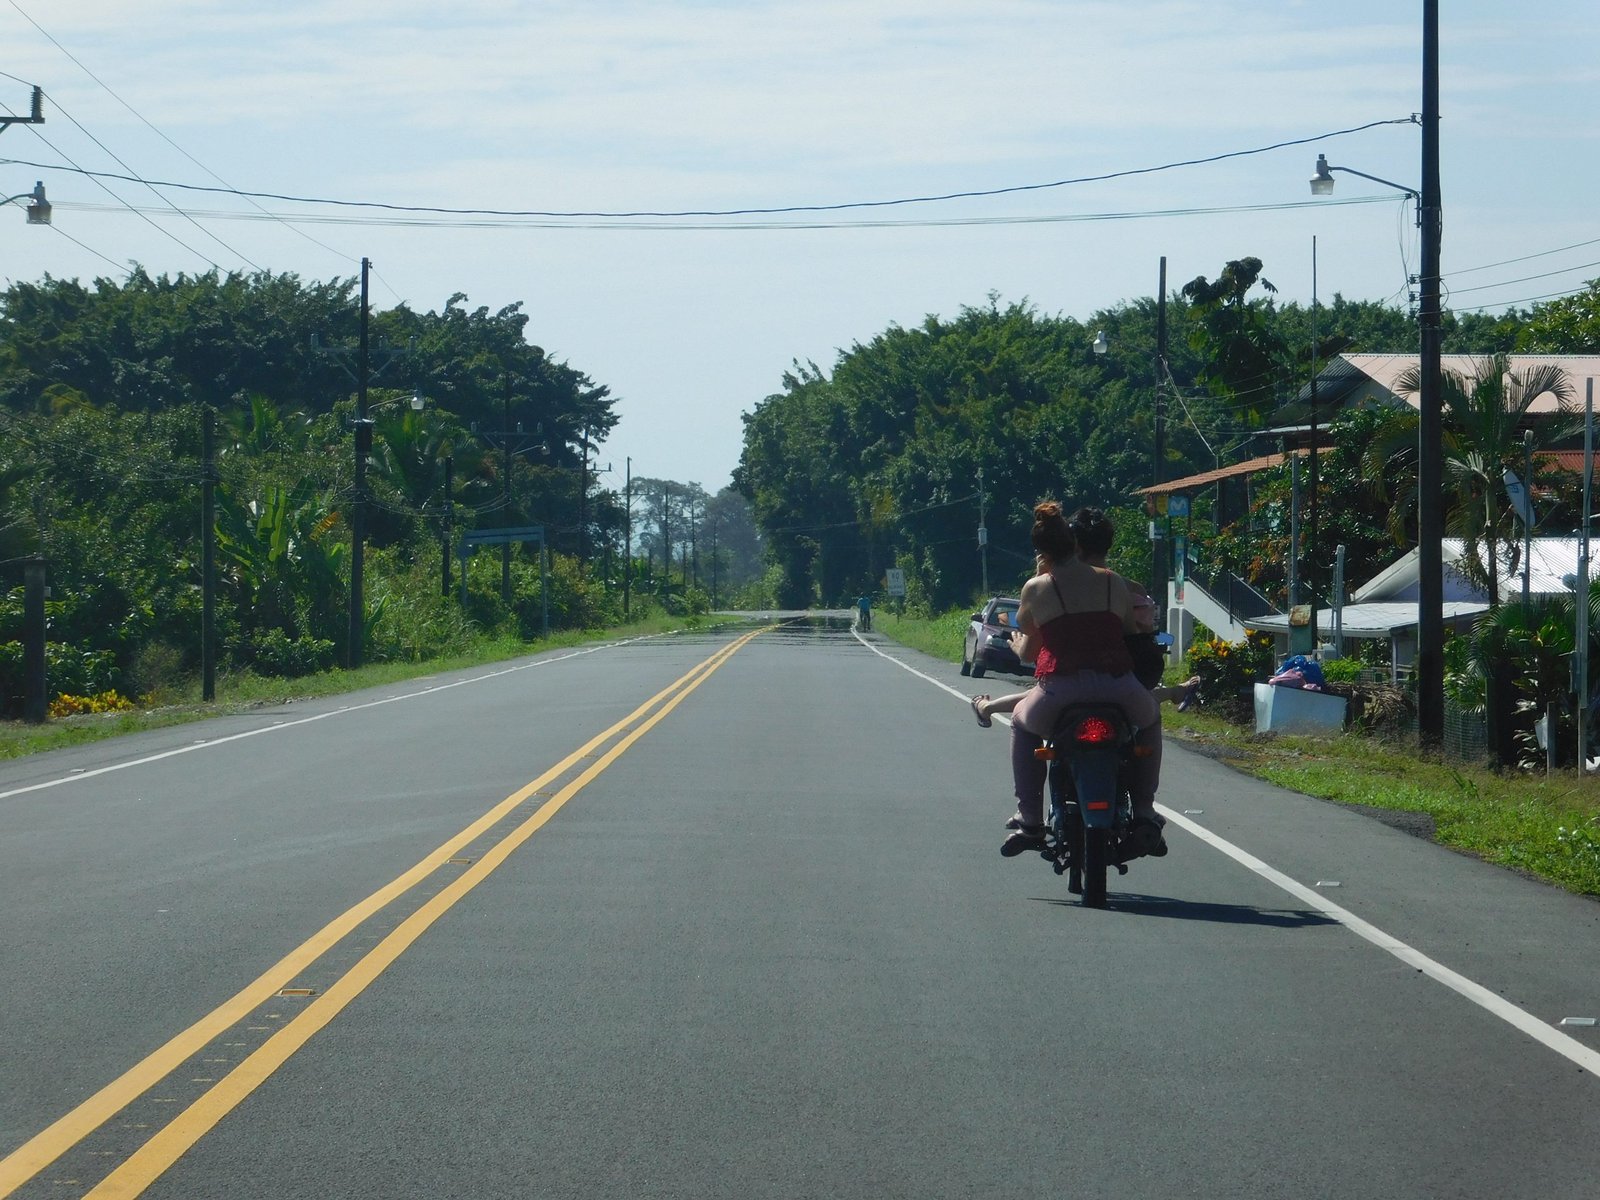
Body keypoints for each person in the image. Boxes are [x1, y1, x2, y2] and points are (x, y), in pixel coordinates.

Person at [999, 500, 1167, 858]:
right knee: (1150, 719)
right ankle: (1145, 812)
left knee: (1021, 723)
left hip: (1061, 688)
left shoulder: (1036, 587)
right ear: (1074, 545)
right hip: (1117, 685)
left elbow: (1029, 636)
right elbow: (1126, 630)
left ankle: (1030, 818)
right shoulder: (1112, 581)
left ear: (1041, 551)